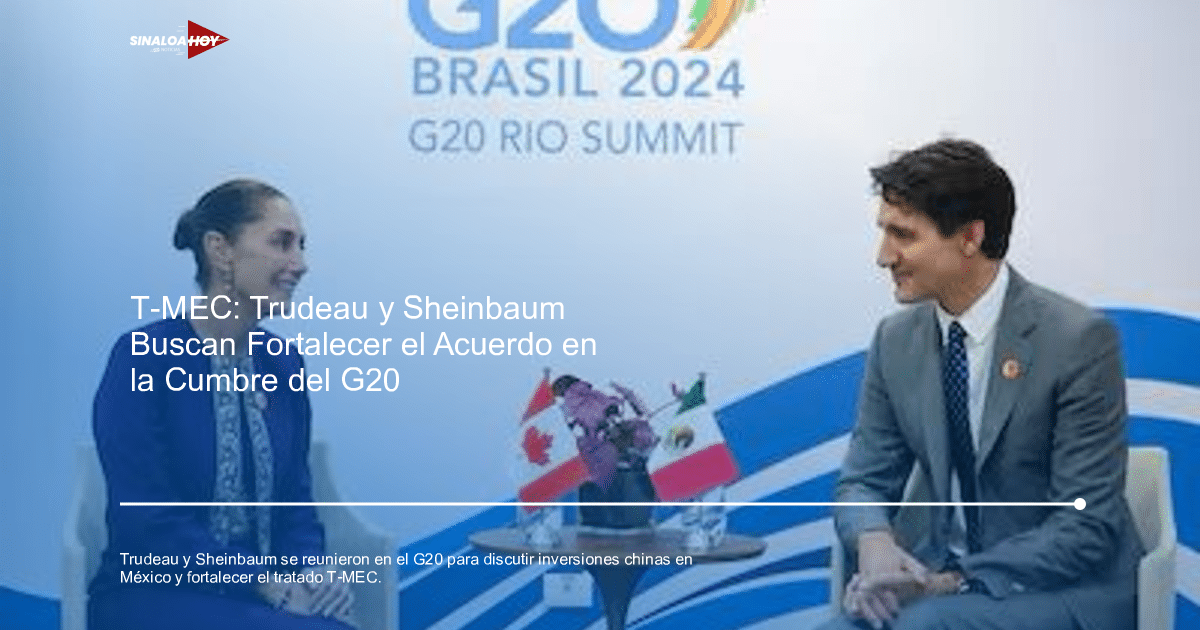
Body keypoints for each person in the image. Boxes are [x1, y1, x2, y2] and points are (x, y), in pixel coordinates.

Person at [821, 139, 1142, 630]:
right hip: (934, 584)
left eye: (903, 235)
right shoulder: (895, 340)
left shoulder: (1078, 340)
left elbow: (1083, 526)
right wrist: (875, 542)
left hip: (1056, 590)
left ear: (970, 237)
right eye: (883, 232)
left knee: (923, 625)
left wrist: (949, 581)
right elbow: (862, 481)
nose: (883, 257)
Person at [89, 180, 356, 629]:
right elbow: (146, 521)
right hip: (152, 593)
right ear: (220, 250)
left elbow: (295, 499)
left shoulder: (283, 362)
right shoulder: (142, 356)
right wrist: (265, 582)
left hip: (261, 598)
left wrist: (311, 569)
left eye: (302, 246)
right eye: (281, 243)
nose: (301, 264)